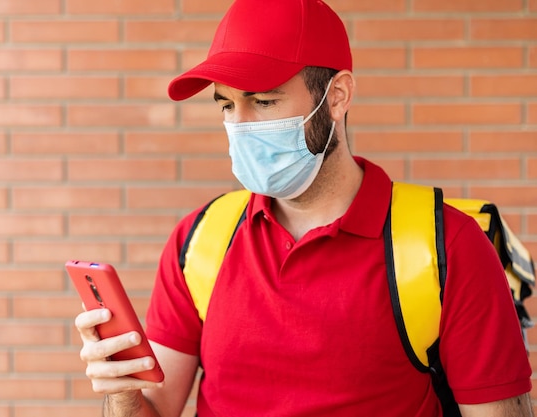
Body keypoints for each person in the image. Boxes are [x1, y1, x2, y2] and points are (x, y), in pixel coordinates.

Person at [74, 0, 534, 416]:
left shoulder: (447, 246)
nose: (241, 127)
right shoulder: (200, 240)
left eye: (264, 101)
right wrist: (124, 393)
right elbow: (155, 409)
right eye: (227, 105)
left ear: (336, 97)